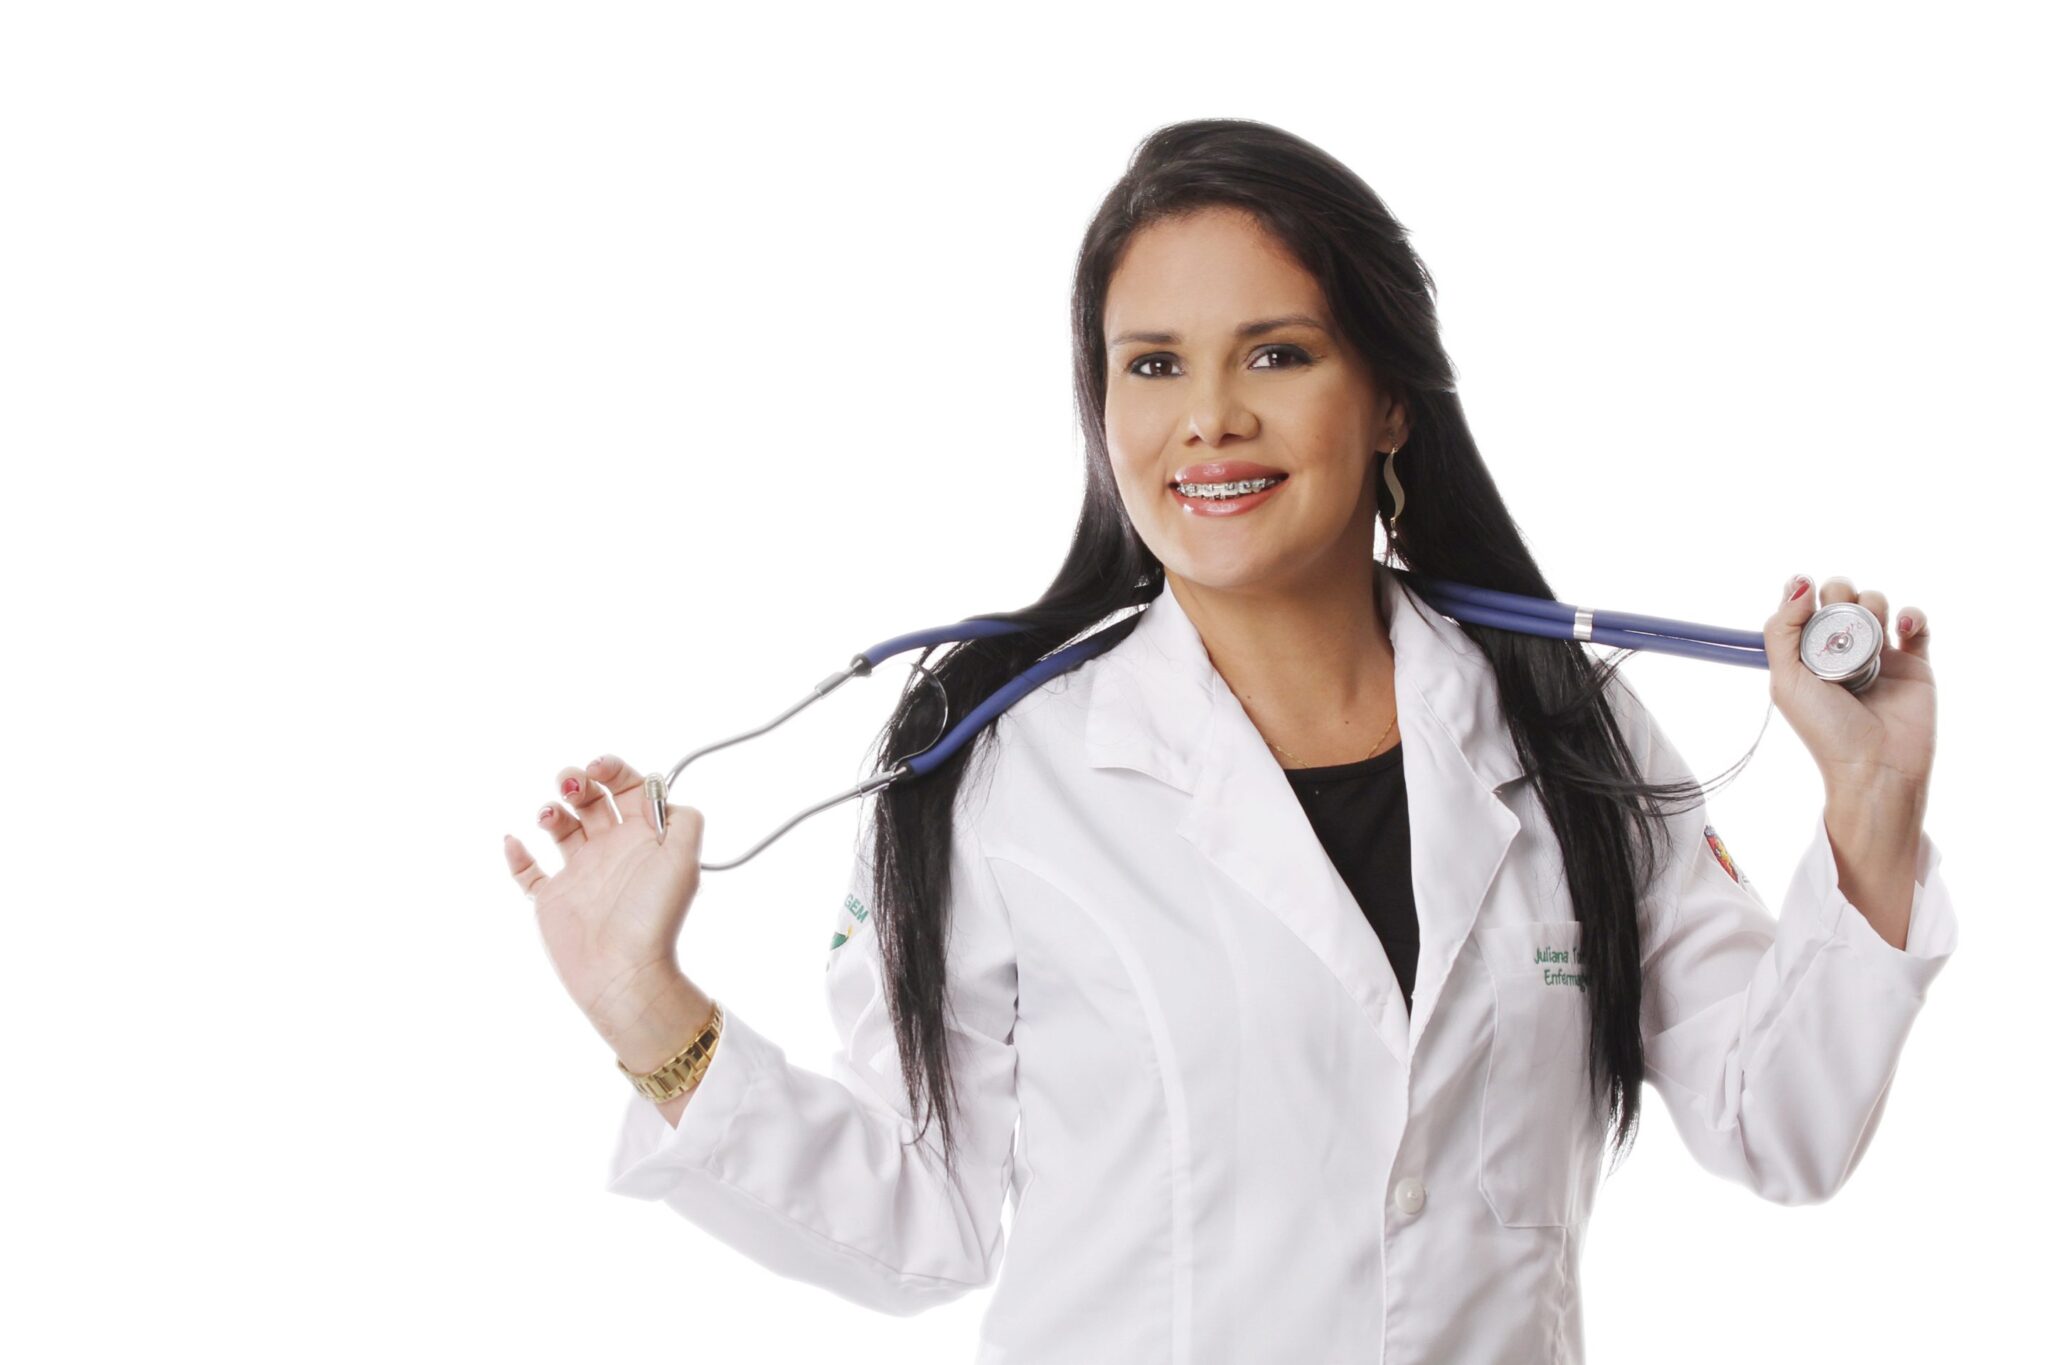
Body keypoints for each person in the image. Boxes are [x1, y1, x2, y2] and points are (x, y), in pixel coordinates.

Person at [501, 118, 1956, 1363]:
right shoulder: (1003, 770)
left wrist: (1872, 808)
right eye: (1152, 366)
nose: (1208, 420)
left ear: (1388, 397)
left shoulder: (1559, 726)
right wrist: (647, 1007)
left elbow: (1785, 1127)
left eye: (1275, 352)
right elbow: (913, 1220)